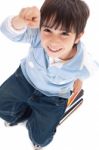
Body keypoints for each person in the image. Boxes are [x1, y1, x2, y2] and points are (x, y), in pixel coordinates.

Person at [0, 0, 92, 149]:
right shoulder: (37, 35)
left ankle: (55, 117)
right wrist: (20, 20)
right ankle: (18, 116)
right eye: (48, 30)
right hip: (25, 79)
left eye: (64, 33)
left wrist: (79, 78)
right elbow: (9, 31)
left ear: (78, 37)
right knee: (3, 106)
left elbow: (85, 72)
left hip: (53, 96)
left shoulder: (85, 63)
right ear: (40, 26)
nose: (53, 41)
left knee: (40, 138)